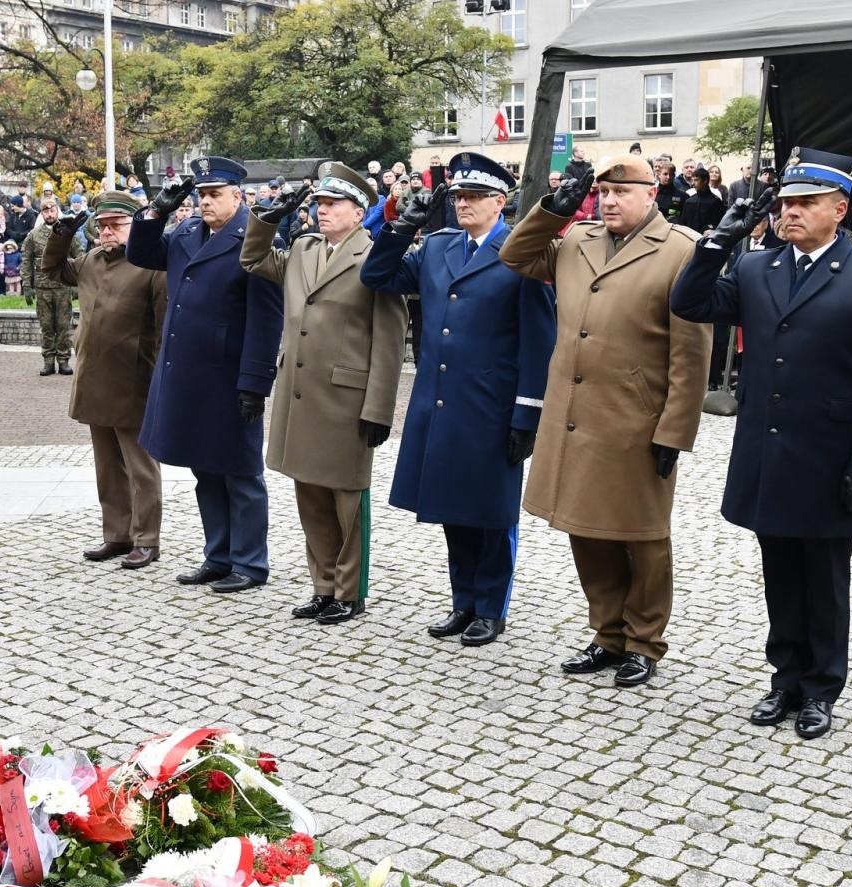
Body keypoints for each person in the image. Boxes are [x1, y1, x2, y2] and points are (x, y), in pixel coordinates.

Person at [670, 147, 852, 739]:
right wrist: (718, 242)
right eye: (785, 203)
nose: (790, 212)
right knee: (779, 571)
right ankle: (785, 678)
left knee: (824, 579)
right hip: (768, 453)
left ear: (840, 209)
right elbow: (689, 302)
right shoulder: (758, 268)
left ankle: (821, 688)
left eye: (806, 203)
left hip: (828, 458)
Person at [499, 156, 712, 687]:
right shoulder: (578, 238)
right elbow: (516, 254)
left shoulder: (680, 250)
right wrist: (554, 211)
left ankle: (644, 642)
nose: (610, 201)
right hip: (575, 414)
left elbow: (691, 354)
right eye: (604, 193)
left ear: (651, 194)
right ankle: (607, 633)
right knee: (584, 527)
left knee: (643, 535)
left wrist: (675, 431)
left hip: (636, 419)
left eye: (622, 192)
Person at [361, 152, 555, 648]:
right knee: (452, 505)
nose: (462, 204)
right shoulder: (438, 246)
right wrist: (401, 227)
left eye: (473, 197)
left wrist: (527, 414)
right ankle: (463, 600)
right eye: (458, 196)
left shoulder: (521, 253)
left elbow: (539, 341)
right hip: (441, 402)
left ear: (499, 201)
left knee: (492, 512)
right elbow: (377, 276)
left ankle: (490, 608)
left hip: (492, 405)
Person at [239, 163, 407, 625]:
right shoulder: (303, 248)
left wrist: (379, 408)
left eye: (334, 203)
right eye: (320, 203)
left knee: (347, 500)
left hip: (346, 400)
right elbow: (253, 260)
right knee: (309, 495)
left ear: (359, 211)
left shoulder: (376, 257)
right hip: (301, 394)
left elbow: (390, 338)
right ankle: (323, 586)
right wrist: (267, 218)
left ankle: (350, 593)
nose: (323, 210)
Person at [128, 157, 285, 594]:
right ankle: (218, 556)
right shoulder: (186, 233)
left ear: (239, 196)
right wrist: (155, 212)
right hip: (187, 374)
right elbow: (141, 254)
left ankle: (250, 562)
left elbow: (266, 318)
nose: (206, 202)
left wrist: (255, 382)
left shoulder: (256, 238)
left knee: (240, 471)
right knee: (206, 469)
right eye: (201, 195)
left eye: (215, 194)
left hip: (229, 374)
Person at [45, 191, 167, 569]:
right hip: (94, 376)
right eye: (102, 226)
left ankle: (146, 539)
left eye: (116, 225)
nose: (107, 232)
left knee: (140, 467)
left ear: (134, 225)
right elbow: (53, 270)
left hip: (134, 379)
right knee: (107, 465)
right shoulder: (91, 261)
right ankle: (117, 534)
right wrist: (63, 234)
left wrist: (161, 380)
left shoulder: (150, 265)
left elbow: (164, 329)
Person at [24, 197, 86, 375]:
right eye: (46, 211)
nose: (50, 214)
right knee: (46, 327)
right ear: (42, 213)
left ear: (57, 211)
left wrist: (77, 283)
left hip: (62, 286)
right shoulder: (34, 235)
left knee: (63, 326)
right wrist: (27, 285)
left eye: (52, 211)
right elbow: (27, 260)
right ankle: (48, 361)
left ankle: (64, 360)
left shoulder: (67, 232)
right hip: (42, 287)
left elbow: (79, 257)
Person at [678, 165, 725, 233]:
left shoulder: (716, 202)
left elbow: (719, 224)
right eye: (693, 180)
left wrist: (710, 229)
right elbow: (683, 224)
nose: (693, 183)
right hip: (689, 237)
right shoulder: (689, 201)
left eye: (696, 180)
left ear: (705, 180)